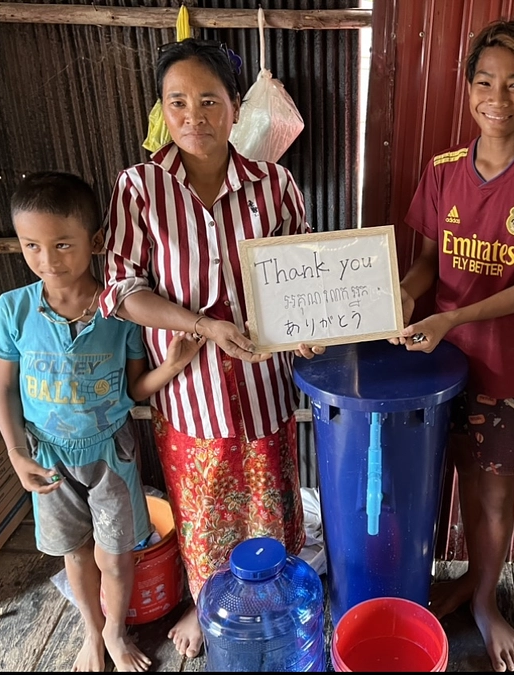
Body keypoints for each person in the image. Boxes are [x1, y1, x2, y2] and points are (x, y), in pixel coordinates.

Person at [100, 38, 323, 659]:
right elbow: (121, 288)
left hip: (263, 389)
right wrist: (201, 325)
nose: (194, 116)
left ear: (234, 107)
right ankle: (210, 609)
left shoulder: (274, 184)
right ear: (161, 111)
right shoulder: (140, 188)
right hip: (190, 394)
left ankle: (274, 614)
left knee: (267, 513)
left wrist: (308, 329)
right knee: (203, 521)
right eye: (178, 103)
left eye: (209, 100)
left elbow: (303, 276)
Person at [395, 19, 514, 672]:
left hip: (504, 372)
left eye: (513, 85)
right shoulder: (443, 169)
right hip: (434, 371)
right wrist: (403, 292)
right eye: (483, 82)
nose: (495, 98)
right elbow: (426, 263)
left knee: (491, 496)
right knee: (435, 487)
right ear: (466, 87)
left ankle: (483, 599)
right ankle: (464, 585)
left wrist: (453, 318)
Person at [0, 171, 202, 672]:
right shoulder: (13, 311)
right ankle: (92, 634)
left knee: (116, 556)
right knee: (75, 554)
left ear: (95, 242)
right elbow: (5, 390)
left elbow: (132, 390)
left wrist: (171, 366)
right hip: (47, 457)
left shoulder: (120, 314)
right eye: (31, 246)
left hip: (110, 452)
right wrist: (17, 455)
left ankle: (118, 635)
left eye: (62, 244)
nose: (47, 260)